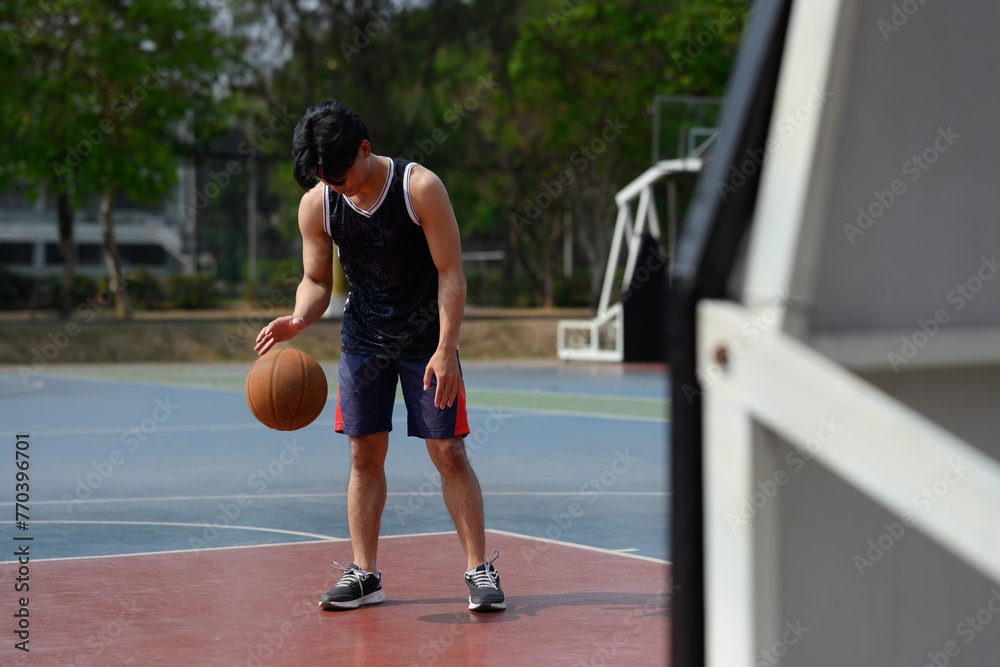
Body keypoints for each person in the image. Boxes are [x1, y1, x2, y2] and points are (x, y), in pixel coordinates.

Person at [254, 101, 504, 612]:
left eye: (340, 174)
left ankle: (480, 570)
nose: (335, 184)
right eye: (325, 178)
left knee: (448, 453)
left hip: (426, 341)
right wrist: (300, 318)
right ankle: (365, 574)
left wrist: (447, 350)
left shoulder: (419, 189)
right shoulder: (318, 203)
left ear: (365, 149)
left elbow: (452, 272)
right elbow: (318, 279)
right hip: (364, 340)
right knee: (363, 455)